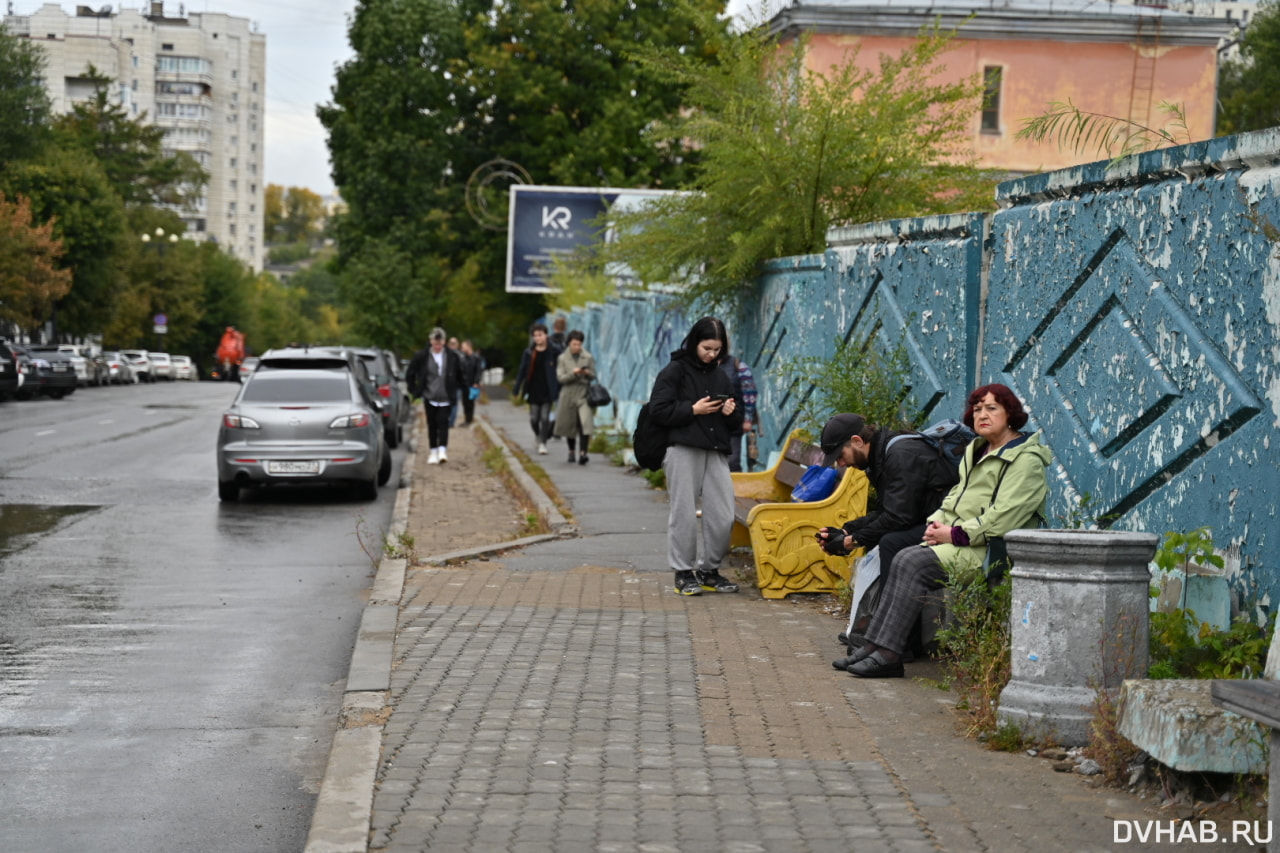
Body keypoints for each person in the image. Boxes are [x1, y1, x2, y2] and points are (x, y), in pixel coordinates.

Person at [840, 383, 1051, 678]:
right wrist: (935, 524)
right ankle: (877, 645)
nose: (982, 415)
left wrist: (952, 534)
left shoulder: (1025, 460)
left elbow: (1003, 518)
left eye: (992, 408)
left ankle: (888, 653)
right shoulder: (977, 450)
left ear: (1010, 414)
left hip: (995, 550)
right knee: (903, 555)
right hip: (964, 543)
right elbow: (953, 497)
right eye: (977, 409)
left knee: (912, 562)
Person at [812, 413, 961, 669]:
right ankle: (888, 638)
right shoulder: (880, 457)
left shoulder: (899, 454)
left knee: (893, 542)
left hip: (952, 527)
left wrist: (852, 541)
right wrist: (846, 531)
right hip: (927, 520)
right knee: (887, 538)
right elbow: (888, 512)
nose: (841, 463)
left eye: (840, 455)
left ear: (857, 441)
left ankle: (894, 644)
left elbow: (898, 517)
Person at [648, 316, 745, 596]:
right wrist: (692, 410)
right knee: (684, 513)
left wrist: (730, 413)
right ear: (694, 343)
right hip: (683, 449)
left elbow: (735, 419)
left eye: (717, 349)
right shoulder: (675, 371)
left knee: (724, 514)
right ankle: (683, 572)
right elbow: (658, 410)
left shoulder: (720, 373)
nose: (712, 354)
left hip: (715, 451)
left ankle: (708, 570)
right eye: (707, 348)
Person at [407, 327, 464, 465]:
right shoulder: (422, 356)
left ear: (444, 342)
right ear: (431, 341)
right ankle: (433, 450)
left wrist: (462, 390)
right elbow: (411, 372)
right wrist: (414, 390)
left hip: (446, 396)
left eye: (440, 343)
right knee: (432, 424)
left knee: (443, 422)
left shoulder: (452, 356)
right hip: (430, 395)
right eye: (435, 343)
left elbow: (460, 374)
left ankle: (442, 450)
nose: (437, 346)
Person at [512, 322, 561, 455]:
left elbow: (560, 369)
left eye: (540, 335)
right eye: (535, 336)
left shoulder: (554, 351)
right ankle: (538, 435)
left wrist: (559, 386)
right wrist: (517, 388)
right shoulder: (529, 352)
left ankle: (543, 443)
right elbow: (522, 370)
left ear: (546, 335)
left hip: (548, 388)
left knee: (545, 417)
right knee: (534, 418)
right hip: (533, 388)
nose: (538, 338)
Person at [553, 330, 597, 465]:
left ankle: (583, 453)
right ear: (569, 344)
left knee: (585, 423)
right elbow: (561, 378)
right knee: (569, 424)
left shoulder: (588, 357)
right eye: (574, 344)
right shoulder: (562, 358)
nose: (577, 347)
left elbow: (594, 375)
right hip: (568, 393)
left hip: (583, 393)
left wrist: (587, 373)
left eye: (579, 344)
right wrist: (574, 373)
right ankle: (571, 450)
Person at [719, 352, 758, 472]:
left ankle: (736, 489)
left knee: (732, 462)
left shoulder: (738, 366)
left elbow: (750, 394)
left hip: (733, 423)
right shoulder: (703, 366)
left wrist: (748, 419)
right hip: (711, 424)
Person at [457, 340, 483, 426]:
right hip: (464, 383)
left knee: (470, 402)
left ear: (469, 346)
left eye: (463, 346)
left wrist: (476, 382)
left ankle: (469, 419)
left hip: (472, 383)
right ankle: (466, 419)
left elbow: (478, 371)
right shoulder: (463, 358)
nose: (462, 348)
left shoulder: (476, 358)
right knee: (465, 402)